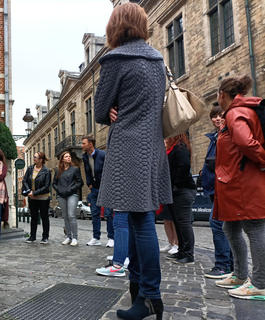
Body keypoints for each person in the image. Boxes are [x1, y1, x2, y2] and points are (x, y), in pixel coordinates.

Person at [94, 3, 172, 319]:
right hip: (152, 147)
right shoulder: (156, 59)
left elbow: (100, 111)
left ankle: (150, 295)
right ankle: (138, 289)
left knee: (139, 222)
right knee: (142, 219)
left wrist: (113, 109)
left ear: (116, 25)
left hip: (128, 147)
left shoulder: (115, 59)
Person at [213, 75, 265, 299]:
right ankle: (240, 274)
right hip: (236, 181)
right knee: (230, 228)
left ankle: (260, 283)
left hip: (244, 181)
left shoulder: (235, 112)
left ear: (222, 95)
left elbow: (246, 142)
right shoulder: (239, 111)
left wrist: (263, 159)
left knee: (254, 228)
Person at [202, 105, 234, 279]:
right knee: (225, 226)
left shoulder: (226, 135)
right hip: (213, 187)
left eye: (221, 115)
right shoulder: (214, 137)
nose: (217, 119)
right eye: (214, 116)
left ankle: (223, 265)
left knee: (217, 224)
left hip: (223, 187)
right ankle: (230, 265)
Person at [165, 134, 197, 265]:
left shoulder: (180, 147)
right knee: (178, 222)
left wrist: (175, 183)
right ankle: (182, 250)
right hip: (176, 190)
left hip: (182, 189)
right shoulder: (175, 148)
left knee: (183, 222)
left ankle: (188, 254)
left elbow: (183, 167)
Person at [81, 136, 112, 247]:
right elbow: (87, 171)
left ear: (90, 144)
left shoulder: (102, 154)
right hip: (94, 188)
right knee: (95, 213)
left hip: (106, 188)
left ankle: (111, 238)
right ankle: (96, 237)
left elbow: (109, 170)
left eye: (84, 143)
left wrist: (107, 185)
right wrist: (89, 184)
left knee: (108, 213)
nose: (81, 145)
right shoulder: (84, 157)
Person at [52, 151, 83, 246]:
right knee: (65, 216)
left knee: (71, 215)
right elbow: (54, 183)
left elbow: (80, 182)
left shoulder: (75, 169)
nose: (69, 158)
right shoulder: (58, 171)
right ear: (62, 159)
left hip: (72, 194)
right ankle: (68, 237)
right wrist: (59, 190)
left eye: (69, 156)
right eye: (66, 156)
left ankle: (75, 238)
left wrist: (71, 189)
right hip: (61, 195)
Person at [22, 152, 51, 244]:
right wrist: (29, 191)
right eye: (33, 157)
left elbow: (46, 186)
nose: (33, 158)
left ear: (40, 160)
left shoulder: (46, 171)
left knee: (44, 217)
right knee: (33, 217)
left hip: (43, 197)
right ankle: (32, 236)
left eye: (35, 157)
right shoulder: (30, 168)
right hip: (32, 196)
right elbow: (25, 180)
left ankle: (45, 237)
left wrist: (35, 193)